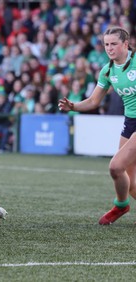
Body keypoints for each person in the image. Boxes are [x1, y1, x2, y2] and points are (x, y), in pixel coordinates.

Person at [58, 26, 136, 225]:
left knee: (116, 166)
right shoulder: (108, 70)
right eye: (106, 44)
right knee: (129, 180)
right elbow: (93, 101)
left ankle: (120, 205)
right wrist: (73, 106)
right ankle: (123, 204)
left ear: (125, 44)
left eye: (114, 44)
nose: (109, 48)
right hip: (130, 123)